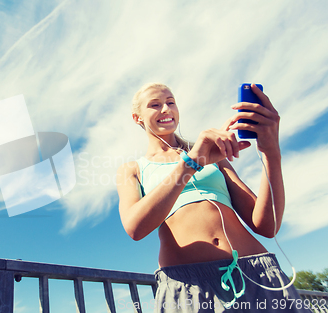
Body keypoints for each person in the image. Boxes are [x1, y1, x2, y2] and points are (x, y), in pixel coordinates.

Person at [116, 83, 311, 312]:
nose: (166, 109)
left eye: (171, 102)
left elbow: (267, 225)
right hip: (190, 286)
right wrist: (191, 163)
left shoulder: (214, 156)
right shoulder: (133, 169)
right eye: (155, 105)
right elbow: (135, 228)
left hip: (257, 274)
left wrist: (271, 152)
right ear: (137, 117)